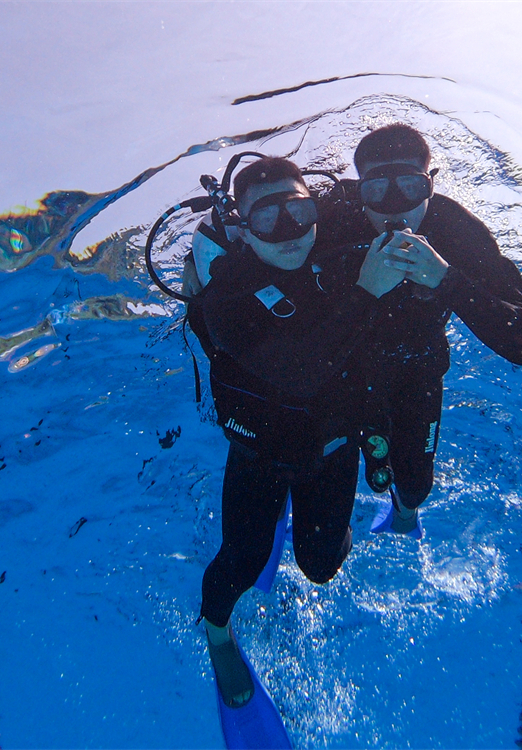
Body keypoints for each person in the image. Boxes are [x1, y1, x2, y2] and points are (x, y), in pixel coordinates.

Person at [184, 156, 404, 709]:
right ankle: (217, 634)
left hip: (332, 448)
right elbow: (299, 373)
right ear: (242, 225)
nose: (288, 232)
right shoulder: (227, 294)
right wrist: (366, 293)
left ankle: (305, 530)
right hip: (261, 453)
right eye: (266, 220)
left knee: (322, 567)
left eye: (299, 211)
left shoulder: (340, 254)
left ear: (316, 209)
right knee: (243, 560)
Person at [315, 123, 522, 537]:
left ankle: (404, 516)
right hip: (342, 367)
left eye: (409, 186)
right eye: (376, 191)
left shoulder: (459, 232)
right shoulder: (335, 215)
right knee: (334, 463)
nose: (392, 206)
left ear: (431, 186)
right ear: (359, 188)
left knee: (415, 482)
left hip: (417, 369)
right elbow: (267, 223)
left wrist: (446, 278)